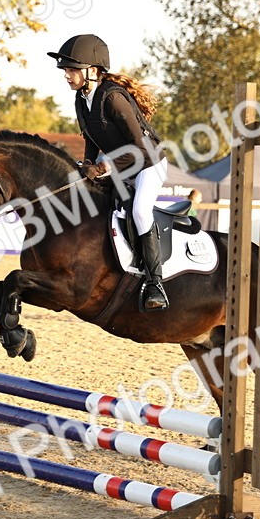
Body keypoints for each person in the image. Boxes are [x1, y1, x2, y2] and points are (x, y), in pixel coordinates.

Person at [47, 34, 170, 311]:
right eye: (65, 70)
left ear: (92, 70)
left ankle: (155, 283)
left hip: (148, 163)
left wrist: (102, 167)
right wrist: (86, 164)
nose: (66, 75)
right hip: (121, 165)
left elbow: (140, 148)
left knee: (139, 211)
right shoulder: (81, 99)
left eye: (72, 69)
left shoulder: (113, 98)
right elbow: (91, 138)